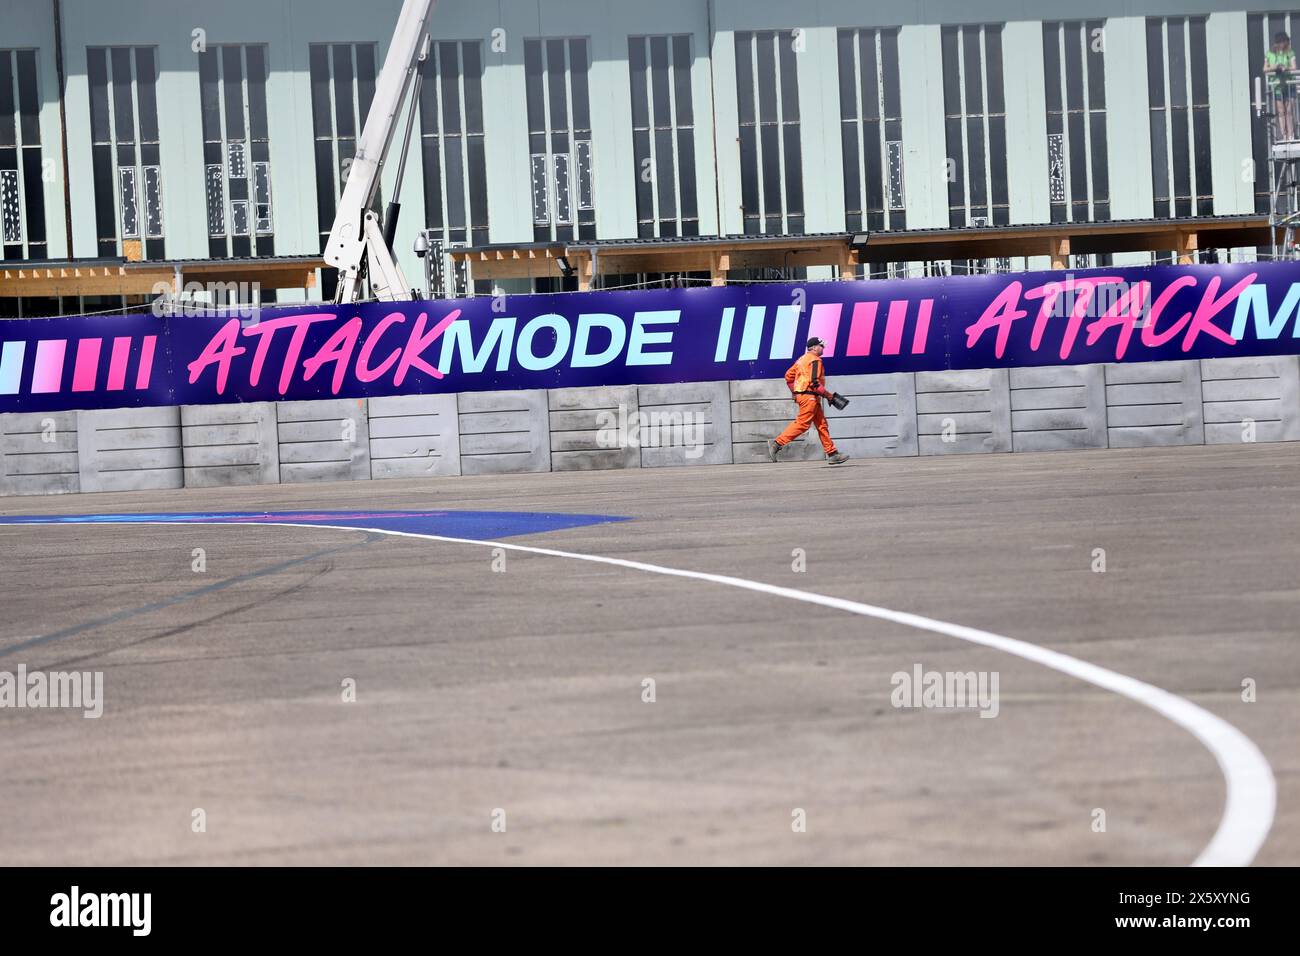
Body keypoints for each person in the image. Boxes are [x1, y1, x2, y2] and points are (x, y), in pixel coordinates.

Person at [767, 336, 850, 465]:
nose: (823, 348)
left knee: (822, 425)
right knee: (803, 424)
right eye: (821, 346)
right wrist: (829, 396)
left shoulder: (801, 360)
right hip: (809, 396)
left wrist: (795, 392)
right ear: (814, 347)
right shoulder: (815, 360)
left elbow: (788, 377)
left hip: (809, 396)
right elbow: (814, 383)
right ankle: (777, 443)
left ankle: (832, 454)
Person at [1266, 32, 1298, 142]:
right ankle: (1284, 135)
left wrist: (1286, 68)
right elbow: (1265, 69)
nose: (1283, 44)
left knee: (1289, 111)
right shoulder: (1270, 53)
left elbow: (1294, 67)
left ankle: (1291, 134)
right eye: (1282, 42)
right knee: (1281, 111)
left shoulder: (1290, 52)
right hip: (1277, 86)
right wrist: (1275, 67)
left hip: (1289, 84)